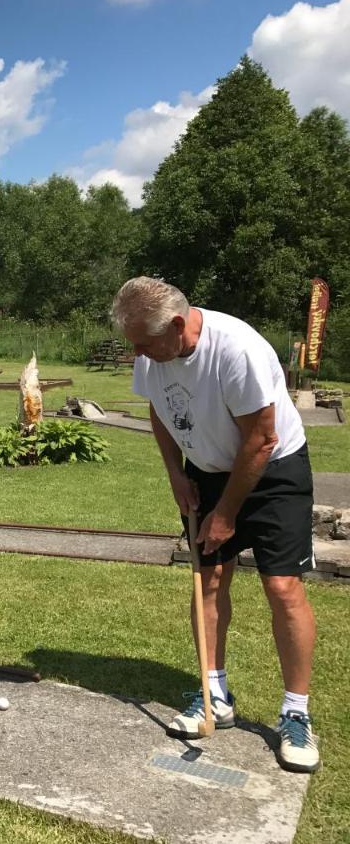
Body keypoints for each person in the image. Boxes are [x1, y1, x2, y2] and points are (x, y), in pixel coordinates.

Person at [111, 277, 319, 773]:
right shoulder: (152, 353)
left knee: (282, 586)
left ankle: (296, 714)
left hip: (271, 470)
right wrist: (176, 475)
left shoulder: (237, 350)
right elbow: (159, 413)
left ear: (178, 326)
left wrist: (226, 514)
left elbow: (262, 440)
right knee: (208, 578)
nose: (136, 353)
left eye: (143, 343)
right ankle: (213, 694)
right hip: (205, 470)